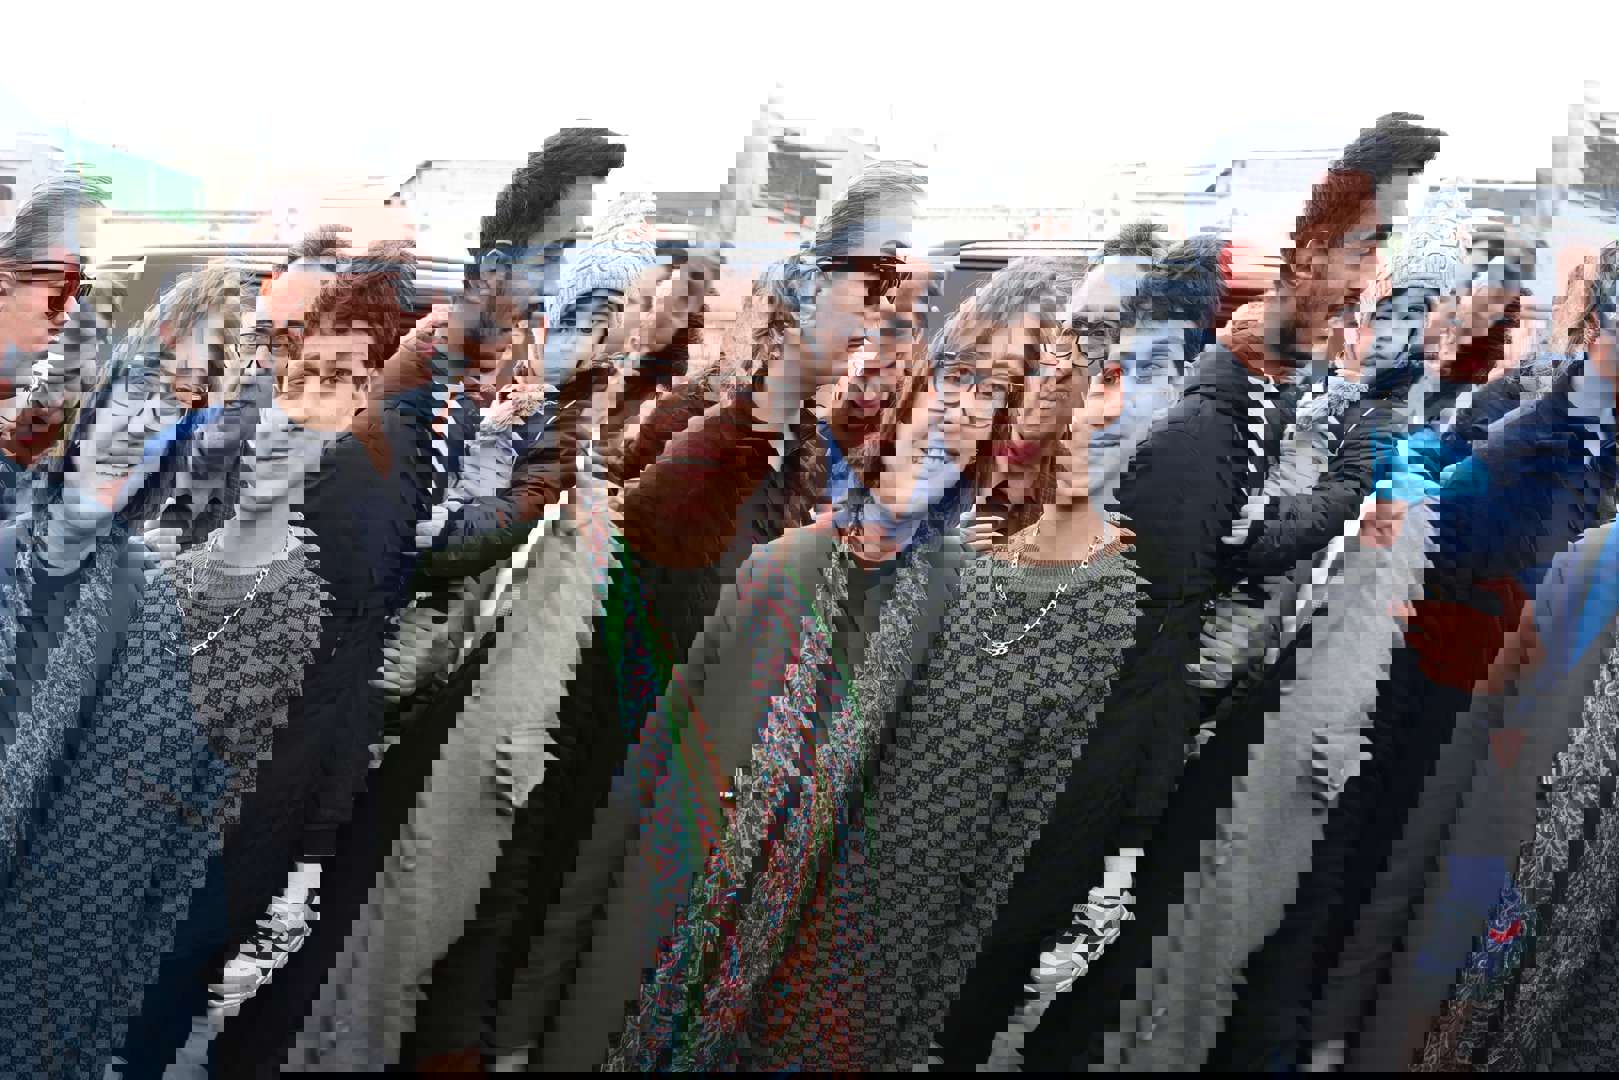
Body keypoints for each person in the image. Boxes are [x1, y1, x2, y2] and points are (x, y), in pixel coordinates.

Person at [400, 161, 935, 1069]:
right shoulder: (712, 431)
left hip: (639, 789)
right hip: (566, 767)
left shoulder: (808, 458)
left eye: (899, 312)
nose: (878, 332)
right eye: (868, 293)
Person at [1, 178, 227, 1077]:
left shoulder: (144, 616)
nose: (144, 422)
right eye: (141, 383)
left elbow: (113, 868)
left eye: (178, 401)